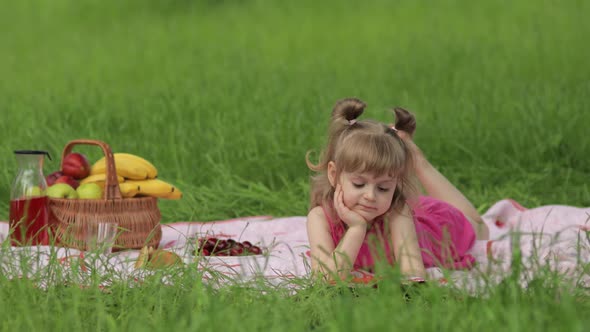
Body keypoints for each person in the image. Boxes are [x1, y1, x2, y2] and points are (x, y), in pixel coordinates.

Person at [305, 97, 489, 281]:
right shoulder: (320, 217)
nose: (370, 196)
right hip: (412, 211)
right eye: (359, 184)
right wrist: (356, 229)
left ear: (395, 184)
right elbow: (324, 280)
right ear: (333, 174)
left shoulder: (397, 212)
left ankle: (418, 162)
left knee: (480, 229)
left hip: (437, 232)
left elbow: (414, 276)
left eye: (383, 188)